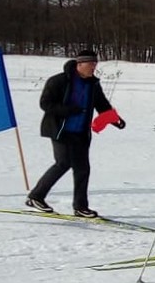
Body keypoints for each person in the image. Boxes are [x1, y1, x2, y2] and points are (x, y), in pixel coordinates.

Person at [26, 48, 125, 217]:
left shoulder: (93, 84)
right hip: (60, 130)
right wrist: (68, 110)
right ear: (80, 64)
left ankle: (80, 207)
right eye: (90, 64)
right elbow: (45, 104)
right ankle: (36, 197)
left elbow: (102, 104)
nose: (94, 67)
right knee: (63, 163)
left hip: (80, 132)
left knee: (82, 169)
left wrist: (114, 119)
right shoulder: (58, 81)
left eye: (95, 64)